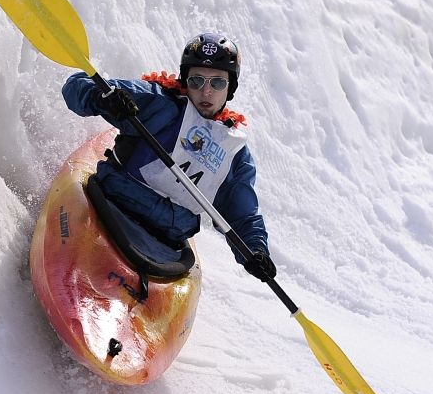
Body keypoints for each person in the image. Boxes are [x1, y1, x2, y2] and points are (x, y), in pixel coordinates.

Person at [61, 32, 276, 282]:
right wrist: (102, 99)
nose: (206, 92)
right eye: (197, 81)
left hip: (165, 242)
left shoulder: (234, 152)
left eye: (217, 83)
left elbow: (242, 214)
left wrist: (256, 250)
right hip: (110, 206)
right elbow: (76, 86)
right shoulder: (158, 103)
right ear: (186, 80)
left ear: (230, 88)